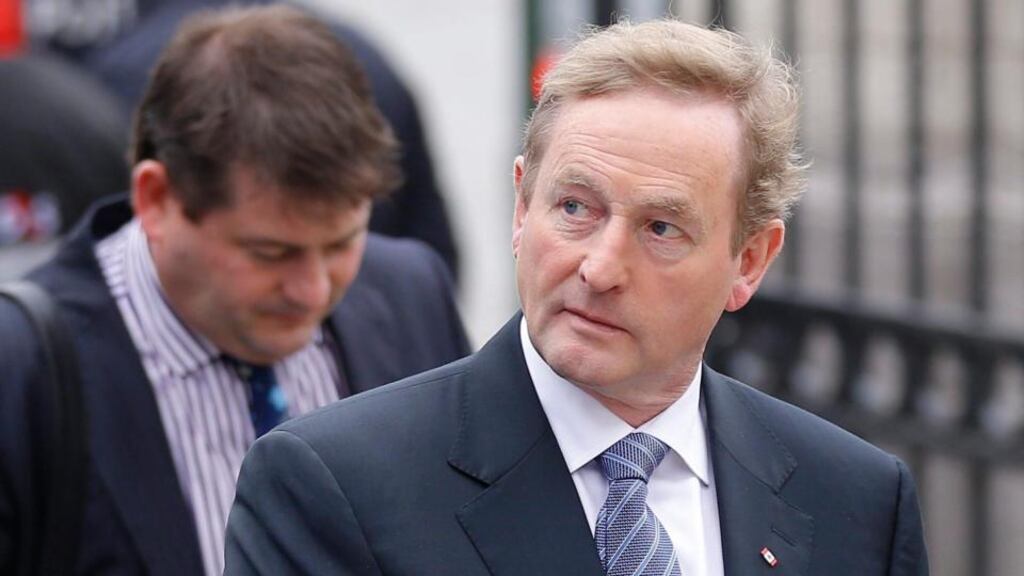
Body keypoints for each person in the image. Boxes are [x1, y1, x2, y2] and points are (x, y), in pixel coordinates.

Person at [225, 19, 929, 576]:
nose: (599, 267)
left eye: (660, 227)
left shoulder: (856, 499)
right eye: (574, 207)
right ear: (520, 207)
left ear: (749, 261)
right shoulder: (335, 486)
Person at [0, 5, 469, 576]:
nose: (313, 291)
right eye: (271, 253)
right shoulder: (23, 367)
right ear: (156, 200)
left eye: (342, 244)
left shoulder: (409, 296)